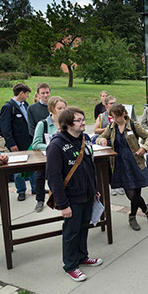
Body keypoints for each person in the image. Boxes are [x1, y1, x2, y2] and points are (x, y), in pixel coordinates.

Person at [46, 106, 103, 282]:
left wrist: (94, 190)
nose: (83, 122)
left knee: (83, 227)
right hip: (71, 197)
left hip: (87, 194)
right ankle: (70, 265)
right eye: (78, 120)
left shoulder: (85, 138)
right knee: (71, 231)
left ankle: (82, 257)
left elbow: (90, 167)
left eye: (83, 119)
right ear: (67, 123)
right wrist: (63, 205)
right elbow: (54, 177)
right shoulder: (56, 145)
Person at [97, 103, 148, 231]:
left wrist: (144, 148)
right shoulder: (111, 127)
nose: (115, 120)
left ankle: (132, 217)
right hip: (119, 163)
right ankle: (146, 209)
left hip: (134, 162)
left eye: (117, 117)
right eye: (112, 117)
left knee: (136, 192)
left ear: (123, 114)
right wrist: (102, 140)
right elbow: (100, 137)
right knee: (131, 194)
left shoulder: (133, 125)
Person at [0, 83, 36, 201]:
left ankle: (35, 188)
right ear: (21, 93)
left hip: (28, 142)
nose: (28, 96)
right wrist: (11, 144)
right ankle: (21, 191)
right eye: (27, 94)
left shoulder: (25, 105)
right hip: (16, 144)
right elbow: (5, 128)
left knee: (32, 165)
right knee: (18, 168)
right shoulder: (9, 107)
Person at [32, 96, 67, 212]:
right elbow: (36, 144)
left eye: (64, 108)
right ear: (52, 109)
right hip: (47, 157)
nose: (62, 111)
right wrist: (52, 147)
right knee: (40, 175)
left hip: (64, 158)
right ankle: (40, 200)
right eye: (59, 108)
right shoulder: (43, 124)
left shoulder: (67, 123)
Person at [94, 96, 123, 196]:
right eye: (111, 103)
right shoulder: (102, 116)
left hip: (118, 143)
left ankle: (121, 184)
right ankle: (113, 185)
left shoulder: (120, 114)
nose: (113, 104)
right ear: (105, 105)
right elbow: (95, 130)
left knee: (120, 164)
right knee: (110, 166)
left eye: (114, 102)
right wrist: (107, 129)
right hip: (107, 144)